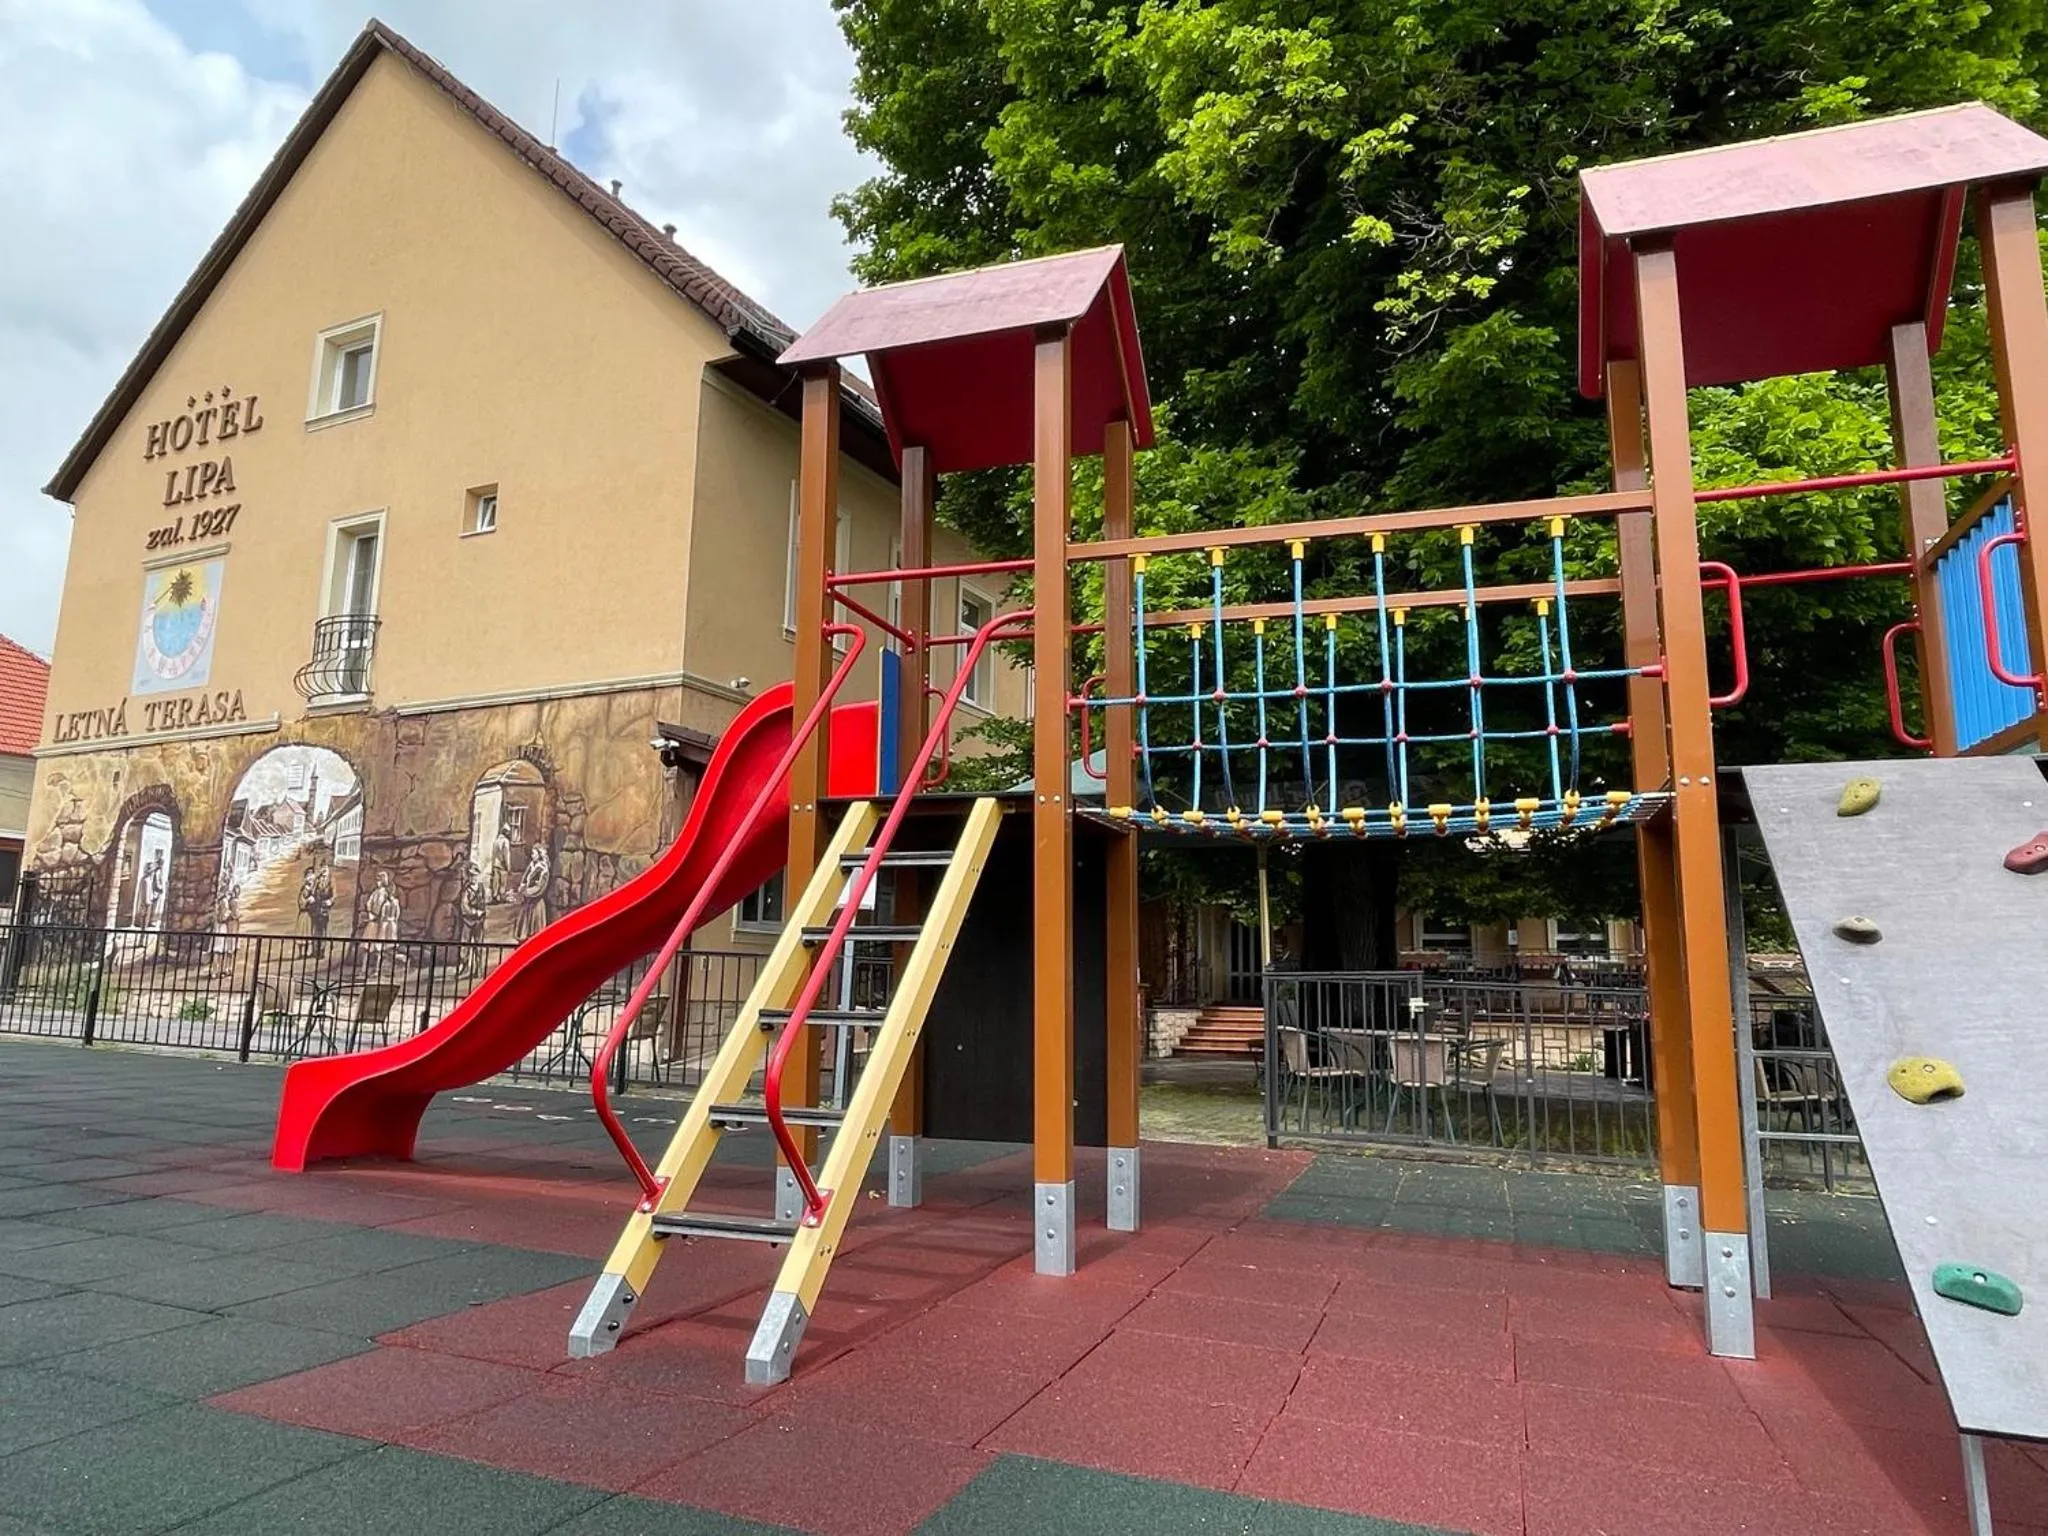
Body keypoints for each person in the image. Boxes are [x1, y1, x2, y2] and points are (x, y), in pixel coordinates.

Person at [209, 870, 242, 978]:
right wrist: (232, 916)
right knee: (221, 949)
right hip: (224, 927)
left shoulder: (221, 901)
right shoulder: (224, 902)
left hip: (222, 926)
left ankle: (218, 970)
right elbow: (224, 916)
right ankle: (218, 970)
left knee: (220, 950)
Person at [457, 862, 487, 975]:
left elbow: (483, 902)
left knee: (478, 944)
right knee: (465, 944)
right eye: (472, 876)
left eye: (475, 876)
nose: (474, 878)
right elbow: (464, 906)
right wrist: (474, 912)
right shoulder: (466, 890)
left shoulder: (480, 888)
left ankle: (478, 968)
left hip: (479, 921)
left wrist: (482, 911)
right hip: (468, 920)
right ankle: (464, 966)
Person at [515, 845, 550, 940]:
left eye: (534, 853)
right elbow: (525, 878)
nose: (532, 855)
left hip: (536, 902)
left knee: (536, 929)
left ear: (539, 855)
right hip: (528, 902)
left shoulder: (543, 869)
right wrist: (522, 887)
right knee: (525, 925)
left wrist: (527, 892)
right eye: (532, 853)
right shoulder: (531, 865)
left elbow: (540, 887)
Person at [299, 854, 333, 943]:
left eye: (326, 868)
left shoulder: (331, 881)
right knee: (315, 928)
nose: (324, 870)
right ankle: (314, 950)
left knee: (324, 929)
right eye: (322, 867)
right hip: (316, 908)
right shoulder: (317, 880)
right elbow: (313, 891)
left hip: (325, 908)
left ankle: (321, 950)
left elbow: (334, 894)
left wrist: (330, 901)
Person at [365, 870, 401, 946]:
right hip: (374, 918)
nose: (378, 882)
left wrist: (379, 916)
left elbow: (383, 906)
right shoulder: (375, 892)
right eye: (377, 880)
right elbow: (369, 903)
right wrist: (371, 913)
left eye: (379, 880)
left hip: (381, 919)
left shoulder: (385, 893)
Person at [136, 849, 165, 931]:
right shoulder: (146, 880)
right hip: (147, 901)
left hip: (150, 898)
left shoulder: (149, 878)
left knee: (148, 916)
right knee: (144, 916)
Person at [490, 828, 512, 903]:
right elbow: (506, 854)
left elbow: (493, 855)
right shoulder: (505, 841)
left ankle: (495, 896)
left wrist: (493, 865)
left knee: (496, 881)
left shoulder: (496, 841)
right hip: (503, 865)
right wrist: (508, 866)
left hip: (496, 864)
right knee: (503, 882)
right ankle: (501, 897)